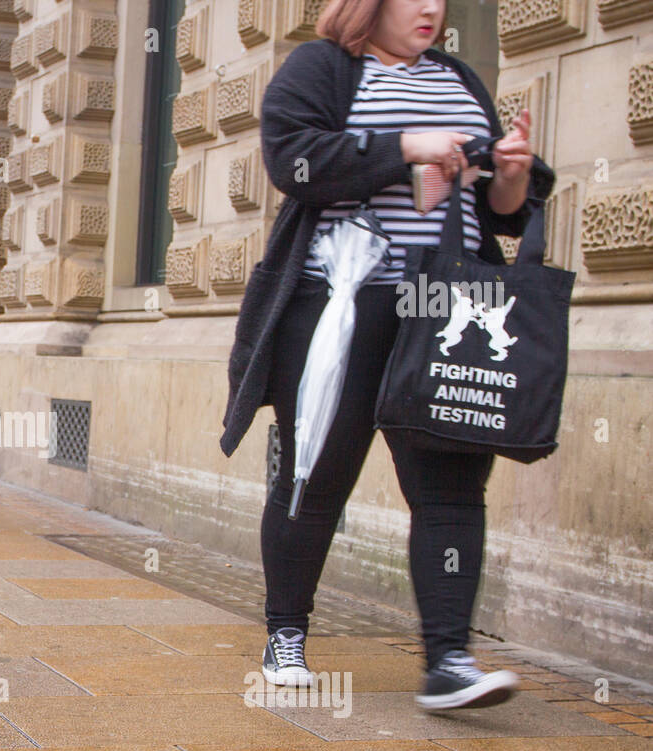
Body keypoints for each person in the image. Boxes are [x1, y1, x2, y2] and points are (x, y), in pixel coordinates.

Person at [222, 0, 552, 709]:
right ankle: (286, 635)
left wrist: (513, 175)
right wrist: (406, 146)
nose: (431, 6)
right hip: (340, 301)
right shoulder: (324, 68)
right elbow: (293, 159)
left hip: (444, 308)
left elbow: (494, 207)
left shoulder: (458, 78)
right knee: (315, 473)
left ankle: (449, 660)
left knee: (452, 480)